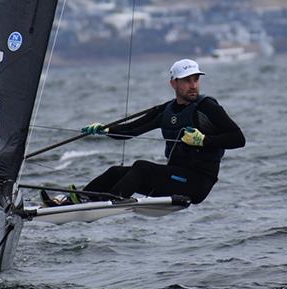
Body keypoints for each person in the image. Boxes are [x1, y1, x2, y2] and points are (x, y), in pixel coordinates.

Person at [42, 58, 245, 206]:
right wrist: (106, 129)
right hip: (174, 178)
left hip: (196, 184)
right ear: (173, 83)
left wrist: (203, 140)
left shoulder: (207, 107)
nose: (193, 86)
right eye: (186, 80)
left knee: (141, 167)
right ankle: (77, 200)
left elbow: (238, 139)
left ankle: (107, 202)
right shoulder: (166, 110)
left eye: (195, 79)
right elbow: (131, 130)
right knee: (116, 171)